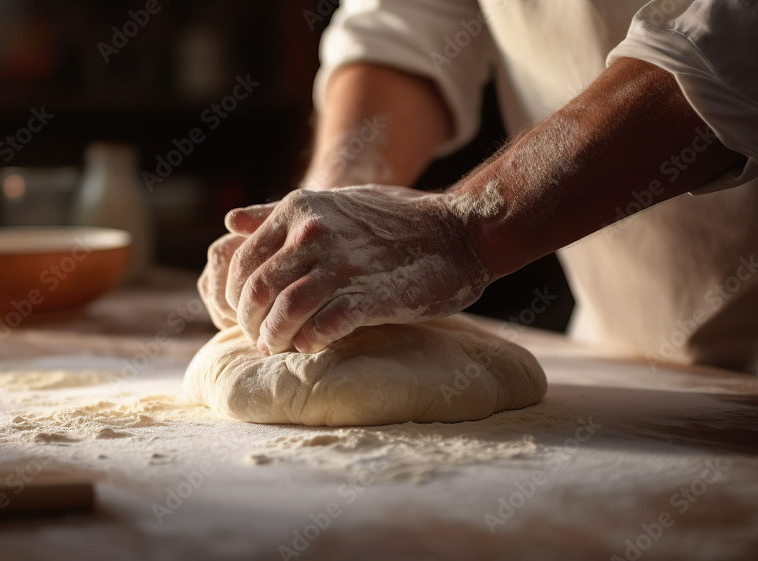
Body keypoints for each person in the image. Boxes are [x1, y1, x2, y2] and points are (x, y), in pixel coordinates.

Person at [199, 0, 758, 373]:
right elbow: (406, 20)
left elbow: (736, 39)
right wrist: (329, 218)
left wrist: (467, 226)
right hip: (623, 361)